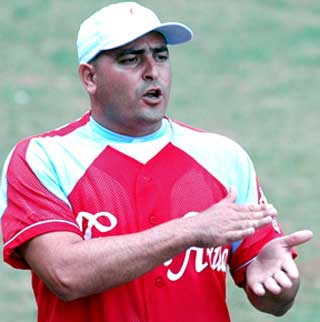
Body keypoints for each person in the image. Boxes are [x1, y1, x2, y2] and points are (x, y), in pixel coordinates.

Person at [0, 2, 313, 322]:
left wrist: (280, 284)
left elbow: (274, 300)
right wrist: (190, 230)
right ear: (90, 77)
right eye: (131, 59)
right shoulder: (43, 159)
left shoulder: (223, 158)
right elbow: (64, 273)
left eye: (161, 56)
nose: (152, 70)